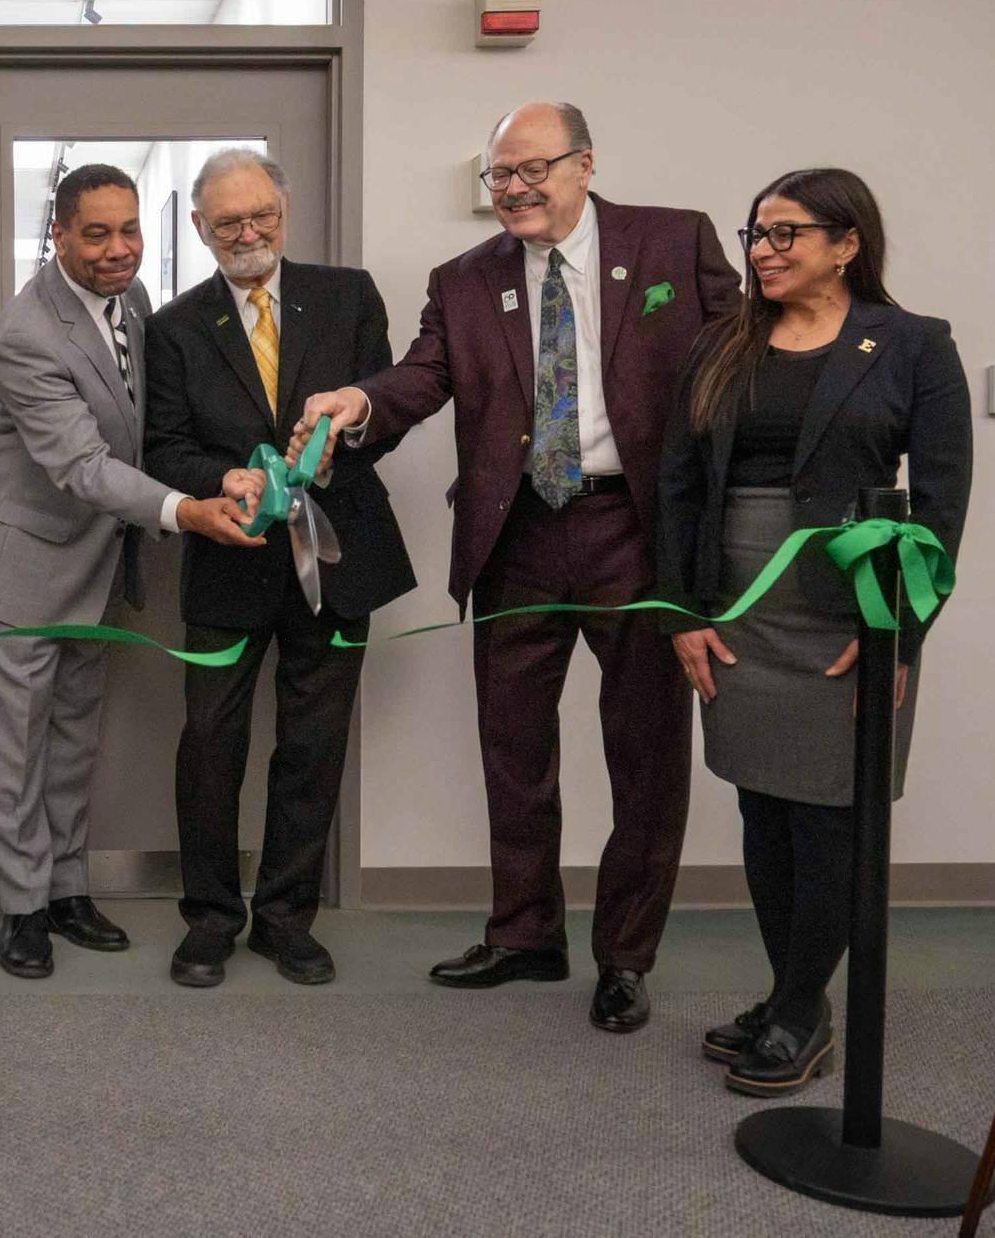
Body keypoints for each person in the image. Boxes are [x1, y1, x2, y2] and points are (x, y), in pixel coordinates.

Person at [293, 102, 741, 1031]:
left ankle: (624, 956)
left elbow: (738, 362)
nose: (516, 189)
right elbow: (419, 379)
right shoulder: (464, 281)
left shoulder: (671, 244)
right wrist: (355, 403)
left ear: (585, 163)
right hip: (519, 535)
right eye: (500, 175)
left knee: (646, 755)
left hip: (639, 532)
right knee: (514, 749)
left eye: (534, 169)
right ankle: (526, 933)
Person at [658, 169, 970, 1094]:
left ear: (848, 242)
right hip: (740, 609)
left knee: (830, 815)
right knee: (762, 807)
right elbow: (677, 485)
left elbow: (942, 504)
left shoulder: (913, 344)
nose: (763, 249)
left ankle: (801, 1010)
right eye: (756, 232)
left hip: (851, 613)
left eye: (787, 233)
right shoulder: (722, 343)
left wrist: (900, 633)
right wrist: (682, 612)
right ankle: (793, 992)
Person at [0, 163, 260, 979]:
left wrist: (222, 472)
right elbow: (85, 467)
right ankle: (21, 909)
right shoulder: (27, 334)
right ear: (58, 236)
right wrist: (188, 509)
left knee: (71, 742)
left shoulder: (132, 302)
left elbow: (141, 424)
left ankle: (63, 888)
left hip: (93, 564)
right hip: (18, 568)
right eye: (96, 233)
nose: (119, 248)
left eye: (129, 229)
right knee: (12, 751)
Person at [143, 149, 415, 988]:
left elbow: (388, 415)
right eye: (228, 222)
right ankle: (211, 920)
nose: (248, 233)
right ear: (199, 228)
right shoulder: (174, 327)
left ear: (284, 210)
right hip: (230, 562)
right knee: (210, 746)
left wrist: (333, 449)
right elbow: (163, 447)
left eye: (261, 215)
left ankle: (287, 918)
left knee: (314, 744)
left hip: (340, 560)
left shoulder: (348, 294)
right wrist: (219, 478)